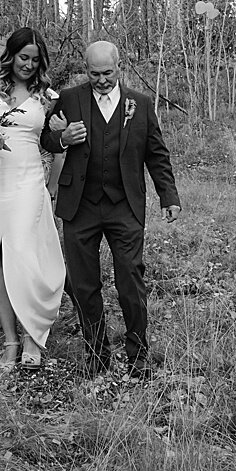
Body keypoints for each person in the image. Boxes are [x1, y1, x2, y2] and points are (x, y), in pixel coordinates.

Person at [45, 38, 179, 376]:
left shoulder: (142, 104)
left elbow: (156, 154)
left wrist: (169, 196)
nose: (101, 80)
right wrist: (62, 139)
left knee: (131, 283)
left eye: (107, 73)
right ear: (85, 70)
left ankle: (138, 355)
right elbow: (45, 138)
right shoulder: (69, 99)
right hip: (80, 206)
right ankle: (96, 355)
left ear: (119, 67)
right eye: (94, 74)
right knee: (83, 285)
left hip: (124, 207)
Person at [0, 27, 69, 376]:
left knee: (23, 253)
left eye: (36, 60)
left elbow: (52, 141)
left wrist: (60, 147)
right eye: (24, 57)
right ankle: (11, 340)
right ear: (11, 55)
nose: (29, 65)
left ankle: (34, 335)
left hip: (27, 181)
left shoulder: (47, 96)